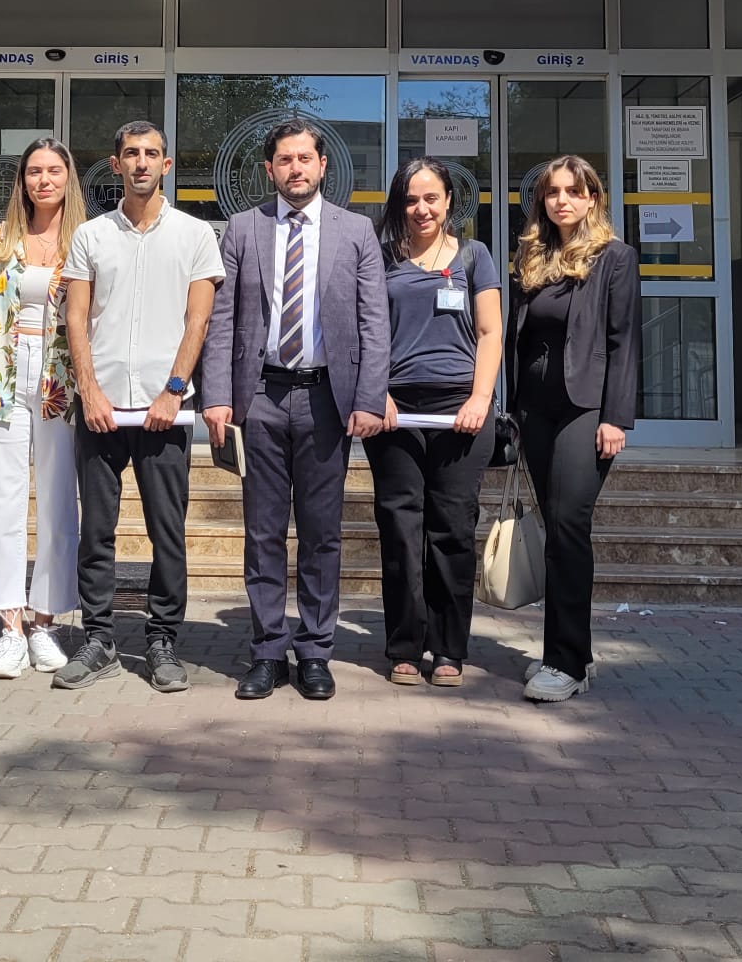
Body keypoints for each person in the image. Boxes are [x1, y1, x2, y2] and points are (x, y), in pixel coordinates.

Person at [202, 120, 390, 703]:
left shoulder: (356, 230)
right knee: (261, 531)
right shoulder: (242, 228)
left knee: (321, 533)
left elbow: (373, 322)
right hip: (260, 395)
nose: (296, 169)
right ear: (269, 169)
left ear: (323, 165)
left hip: (327, 400)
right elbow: (222, 320)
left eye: (306, 158)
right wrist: (216, 395)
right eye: (285, 160)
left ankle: (314, 651)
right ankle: (265, 651)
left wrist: (367, 396)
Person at [56, 120, 222, 694]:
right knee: (95, 530)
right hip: (101, 409)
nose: (142, 163)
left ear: (167, 166)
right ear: (115, 163)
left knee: (166, 531)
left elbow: (198, 319)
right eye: (132, 153)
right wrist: (90, 390)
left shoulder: (196, 235)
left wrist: (174, 390)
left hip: (164, 409)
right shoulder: (90, 235)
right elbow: (75, 317)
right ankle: (98, 638)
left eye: (153, 154)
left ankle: (162, 640)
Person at [362, 157, 503, 689]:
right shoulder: (381, 257)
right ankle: (403, 645)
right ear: (399, 204)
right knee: (400, 530)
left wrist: (480, 399)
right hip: (395, 410)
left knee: (453, 531)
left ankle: (447, 649)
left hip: (461, 412)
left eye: (431, 198)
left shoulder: (474, 256)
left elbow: (490, 334)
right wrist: (378, 392)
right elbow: (364, 327)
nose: (421, 209)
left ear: (448, 201)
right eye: (411, 199)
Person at [508, 154, 642, 705]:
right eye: (552, 192)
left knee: (568, 526)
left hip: (586, 410)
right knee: (557, 527)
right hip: (535, 413)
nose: (561, 200)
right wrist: (511, 411)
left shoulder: (615, 258)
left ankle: (565, 660)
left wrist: (616, 417)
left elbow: (624, 342)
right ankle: (567, 657)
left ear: (592, 199)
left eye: (573, 191)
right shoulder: (532, 258)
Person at [0, 138, 87, 680]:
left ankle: (45, 622)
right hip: (5, 371)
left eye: (54, 170)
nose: (43, 180)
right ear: (22, 180)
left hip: (62, 378)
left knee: (57, 498)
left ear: (68, 177)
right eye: (34, 171)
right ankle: (8, 625)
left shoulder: (86, 238)